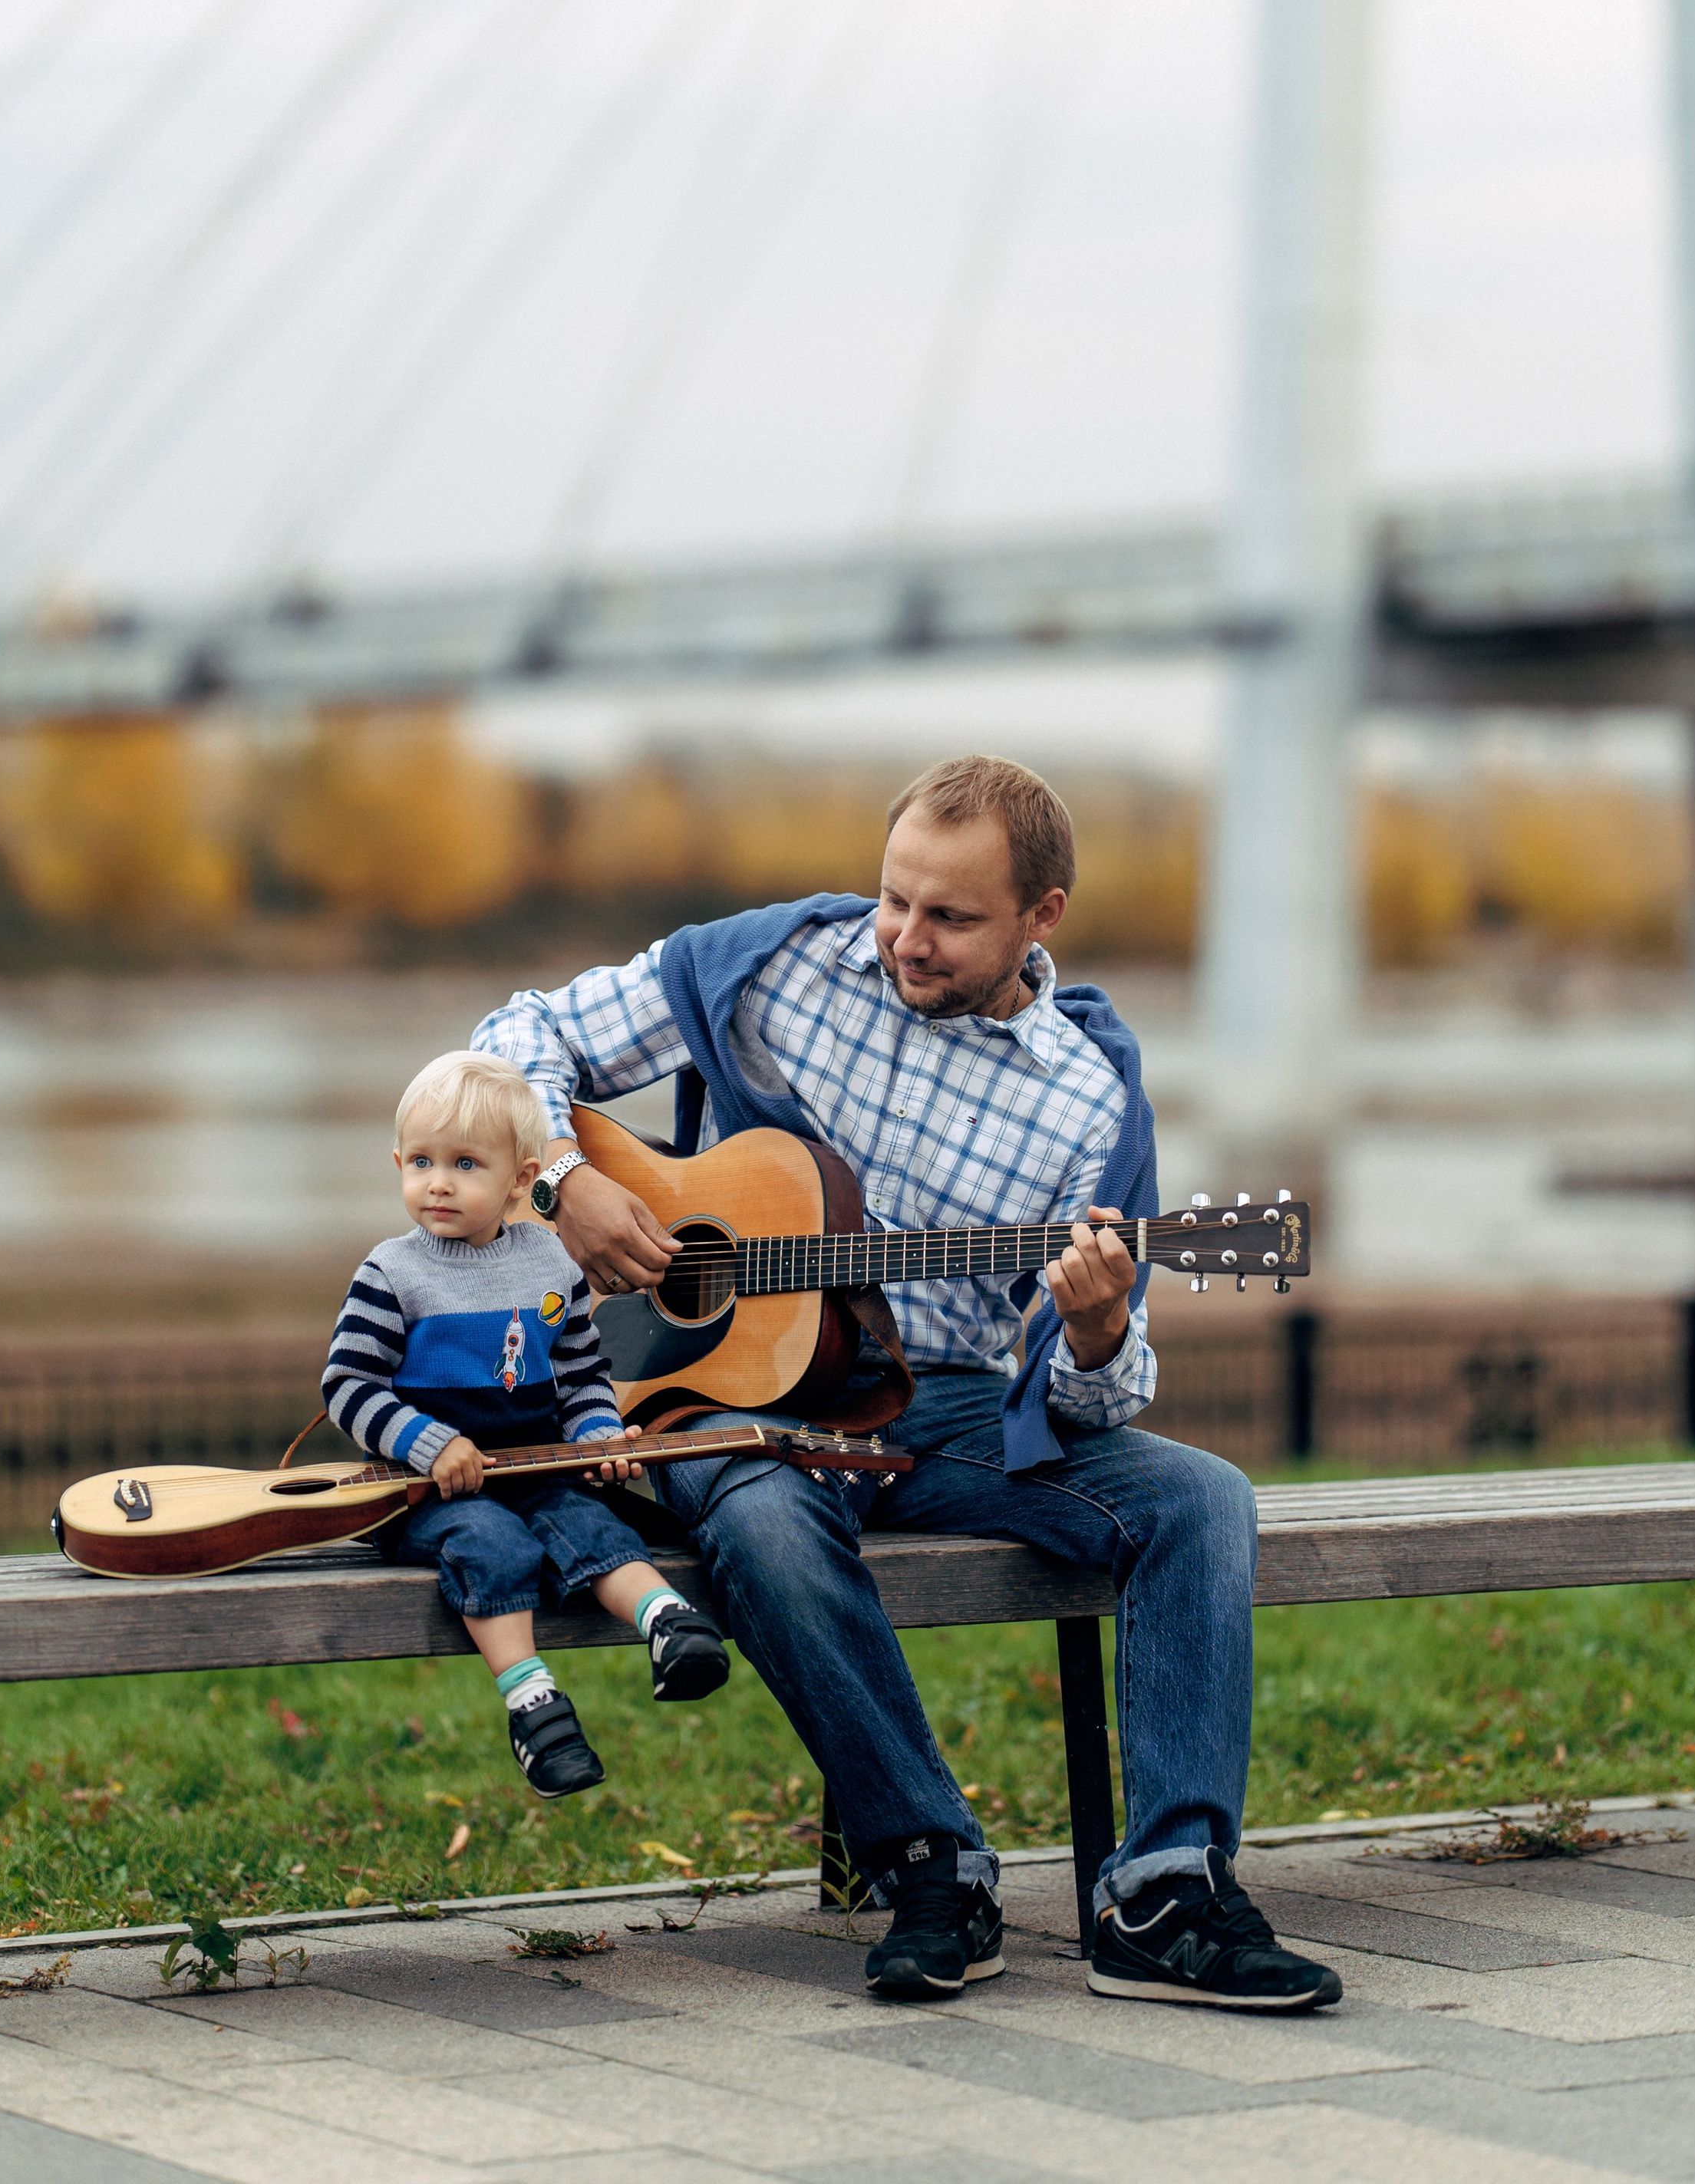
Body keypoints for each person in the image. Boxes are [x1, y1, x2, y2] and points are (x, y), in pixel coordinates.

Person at [475, 754, 1342, 2011]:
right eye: (894, 898)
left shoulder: (1088, 1104)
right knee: (764, 1516)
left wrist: (1097, 1334)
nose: (904, 938)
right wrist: (565, 1178)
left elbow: (1083, 1398)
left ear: (1042, 918)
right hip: (725, 1398)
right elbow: (513, 1038)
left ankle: (1166, 1893)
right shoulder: (783, 968)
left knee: (1200, 1498)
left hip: (942, 1405)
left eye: (950, 917)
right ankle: (932, 1865)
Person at [322, 1049, 730, 1797]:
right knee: (494, 1546)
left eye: (465, 1164)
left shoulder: (552, 1265)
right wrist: (430, 1444)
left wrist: (598, 1435)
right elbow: (347, 1385)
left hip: (535, 1472)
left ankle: (672, 1626)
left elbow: (579, 1376)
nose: (437, 1182)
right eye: (419, 1161)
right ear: (397, 1163)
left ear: (518, 1179)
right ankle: (534, 1707)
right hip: (426, 1494)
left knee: (595, 1528)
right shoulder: (393, 1273)